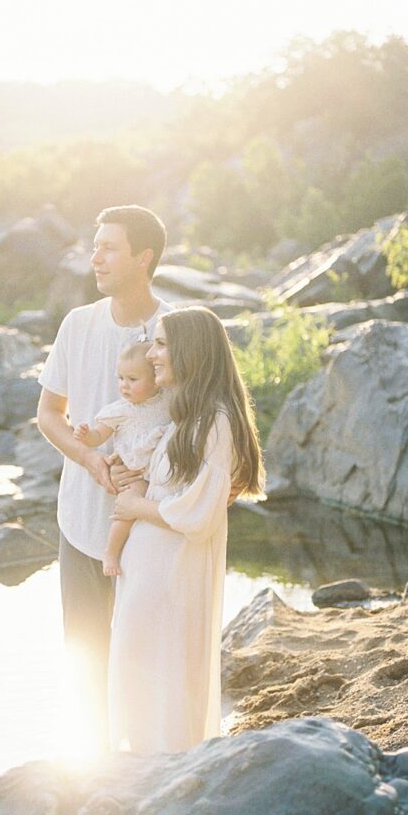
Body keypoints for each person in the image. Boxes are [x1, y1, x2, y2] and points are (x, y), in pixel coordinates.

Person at [37, 205, 171, 746]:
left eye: (109, 247)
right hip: (79, 522)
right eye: (95, 246)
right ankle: (93, 770)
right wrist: (91, 459)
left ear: (144, 258)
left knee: (142, 659)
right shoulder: (78, 324)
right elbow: (49, 415)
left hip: (150, 524)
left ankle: (145, 769)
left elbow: (198, 423)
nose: (95, 257)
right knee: (86, 655)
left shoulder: (175, 329)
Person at [108, 306, 265, 753]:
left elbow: (198, 515)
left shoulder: (214, 421)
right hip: (151, 571)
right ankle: (141, 767)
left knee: (166, 675)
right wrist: (131, 479)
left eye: (160, 344)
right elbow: (171, 486)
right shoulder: (186, 417)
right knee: (142, 670)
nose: (151, 354)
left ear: (190, 352)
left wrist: (137, 504)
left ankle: (165, 770)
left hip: (172, 572)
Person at [72, 340, 171, 577]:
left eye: (133, 380)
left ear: (155, 378)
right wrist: (86, 436)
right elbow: (98, 436)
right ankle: (111, 552)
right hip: (135, 472)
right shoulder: (119, 410)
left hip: (162, 471)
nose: (124, 386)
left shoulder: (167, 400)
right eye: (120, 378)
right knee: (127, 509)